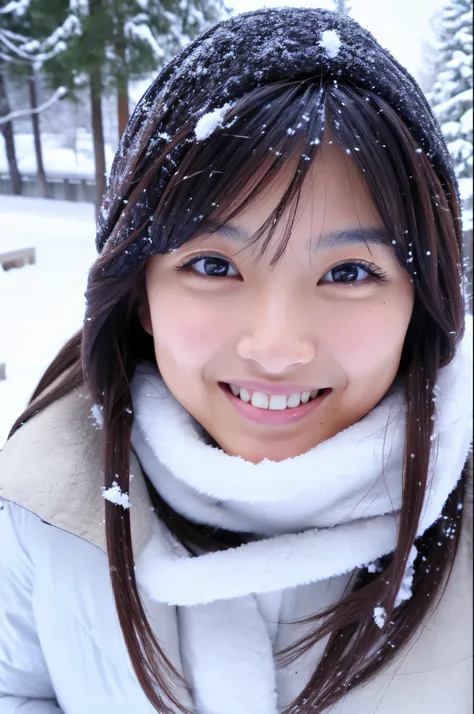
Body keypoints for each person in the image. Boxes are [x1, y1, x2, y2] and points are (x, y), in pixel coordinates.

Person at [0, 7, 472, 714]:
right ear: (138, 291)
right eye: (215, 264)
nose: (276, 347)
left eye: (348, 273)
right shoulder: (39, 506)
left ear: (423, 299)